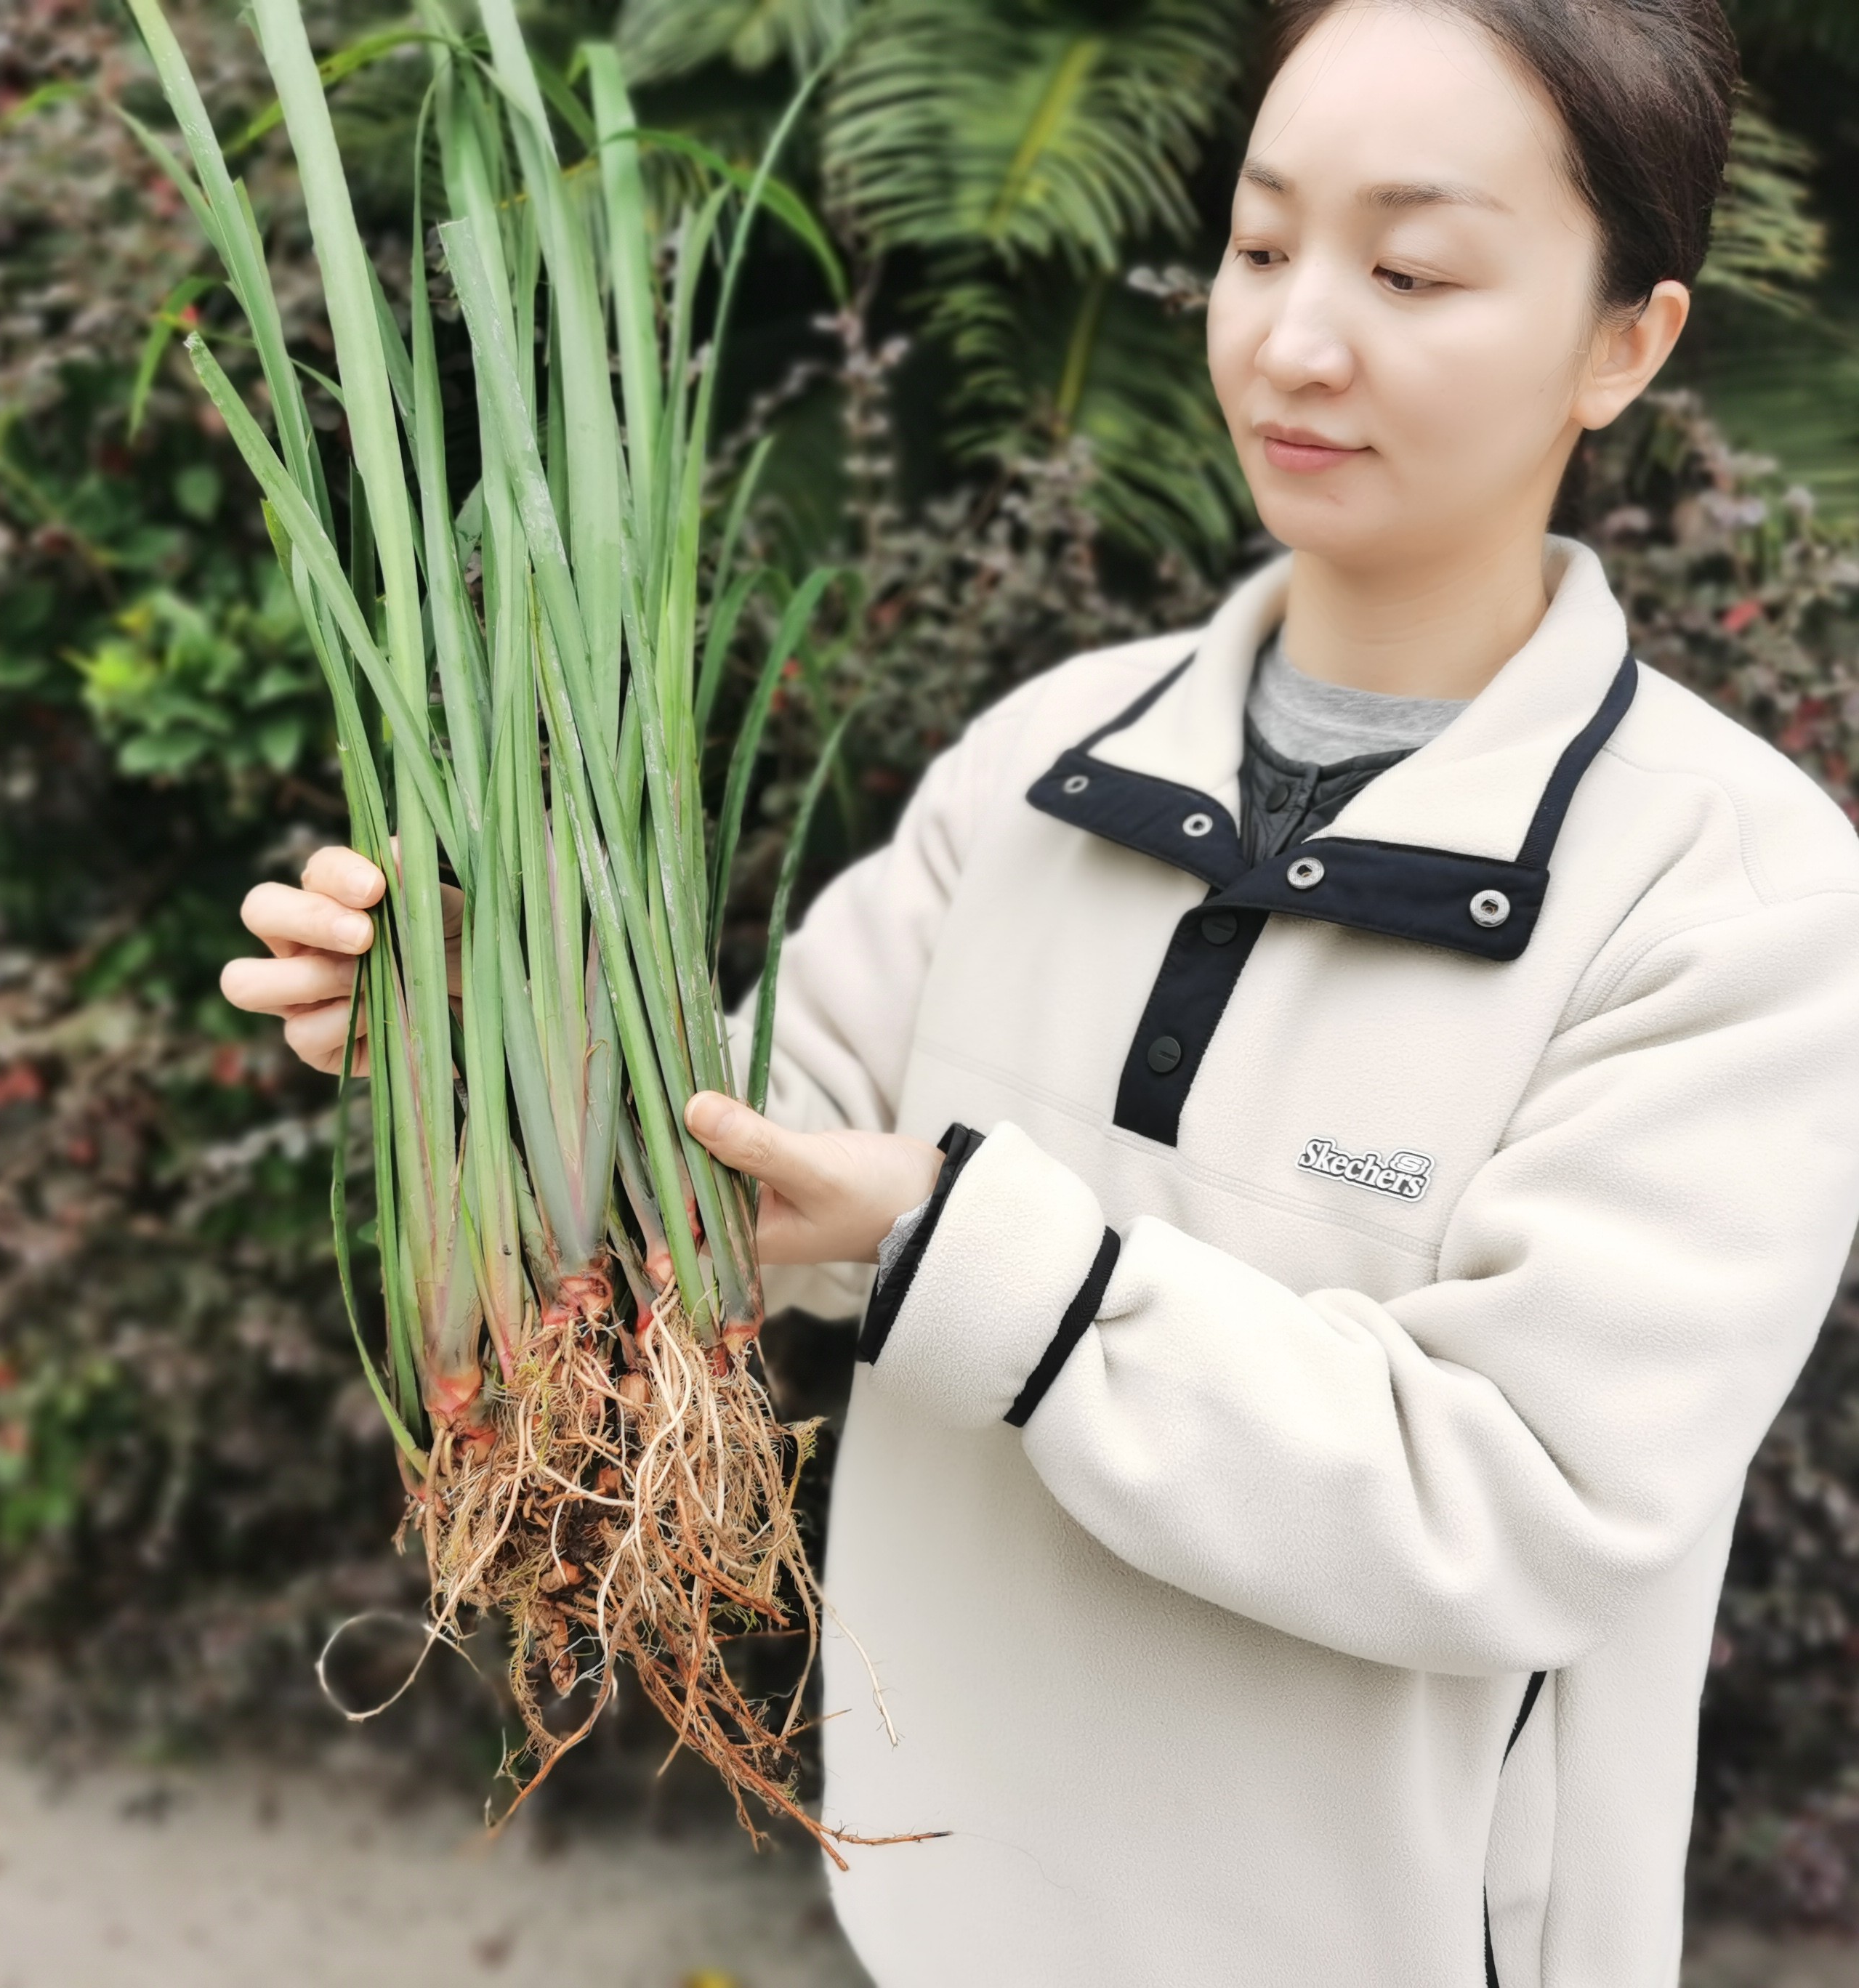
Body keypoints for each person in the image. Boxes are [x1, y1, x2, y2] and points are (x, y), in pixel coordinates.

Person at [223, 1, 1859, 1980]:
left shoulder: (1738, 896)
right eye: (1261, 246)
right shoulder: (1050, 759)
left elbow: (1516, 1499)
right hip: (932, 1912)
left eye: (1413, 268)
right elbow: (747, 1163)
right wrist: (477, 1038)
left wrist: (958, 1250)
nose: (1297, 337)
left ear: (1629, 341)